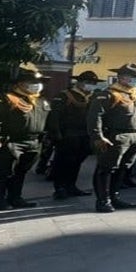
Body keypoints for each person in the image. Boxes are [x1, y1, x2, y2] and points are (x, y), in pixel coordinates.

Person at [87, 64, 136, 213]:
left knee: (123, 168)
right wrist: (98, 136)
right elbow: (95, 117)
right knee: (107, 168)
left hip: (135, 135)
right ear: (121, 77)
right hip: (115, 136)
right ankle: (103, 200)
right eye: (132, 77)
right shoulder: (108, 94)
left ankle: (115, 197)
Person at [0, 65, 52, 210]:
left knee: (21, 172)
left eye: (38, 82)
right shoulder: (6, 98)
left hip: (34, 141)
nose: (36, 85)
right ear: (20, 83)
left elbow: (48, 120)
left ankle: (15, 198)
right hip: (11, 141)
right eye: (31, 82)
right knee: (3, 171)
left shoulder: (41, 101)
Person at [46, 70, 101, 201]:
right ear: (79, 82)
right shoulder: (65, 95)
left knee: (77, 162)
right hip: (67, 134)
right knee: (63, 162)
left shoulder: (93, 97)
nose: (90, 85)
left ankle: (71, 186)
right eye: (88, 82)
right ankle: (59, 188)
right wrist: (56, 133)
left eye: (93, 83)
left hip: (85, 135)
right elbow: (55, 116)